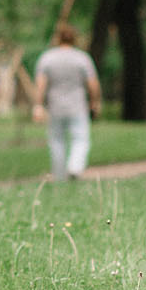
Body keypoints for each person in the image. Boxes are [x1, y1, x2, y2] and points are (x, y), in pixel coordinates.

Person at [33, 24, 103, 181]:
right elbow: (92, 83)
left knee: (56, 141)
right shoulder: (82, 58)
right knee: (81, 138)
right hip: (77, 105)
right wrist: (95, 102)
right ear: (75, 39)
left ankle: (59, 176)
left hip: (55, 106)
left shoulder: (47, 58)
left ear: (58, 38)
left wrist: (38, 105)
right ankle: (75, 167)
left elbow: (41, 85)